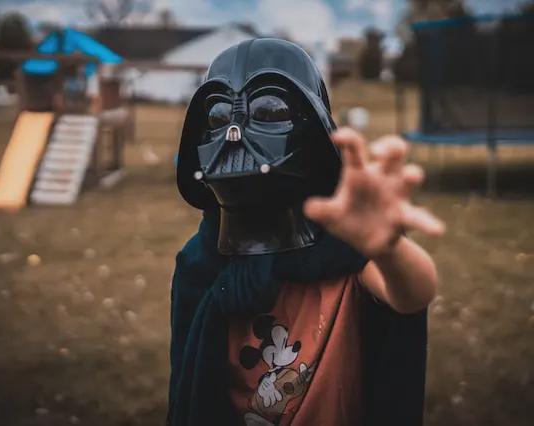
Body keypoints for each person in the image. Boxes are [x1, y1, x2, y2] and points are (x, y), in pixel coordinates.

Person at [168, 38, 444, 426]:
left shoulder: (343, 252)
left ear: (313, 132)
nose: (233, 133)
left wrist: (389, 249)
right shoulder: (198, 264)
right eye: (216, 115)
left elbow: (413, 295)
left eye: (268, 109)